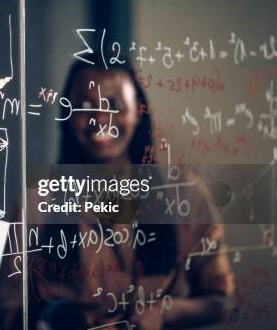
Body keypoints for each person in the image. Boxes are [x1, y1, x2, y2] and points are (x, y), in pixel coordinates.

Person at [22, 58, 234, 329]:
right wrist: (59, 318)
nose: (100, 119)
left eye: (114, 105)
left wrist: (166, 313)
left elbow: (221, 301)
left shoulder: (184, 193)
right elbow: (11, 309)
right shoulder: (37, 201)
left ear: (138, 112)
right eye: (85, 106)